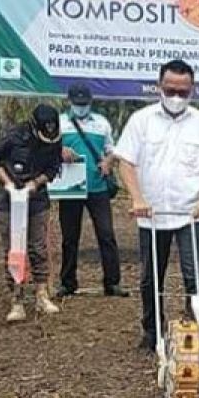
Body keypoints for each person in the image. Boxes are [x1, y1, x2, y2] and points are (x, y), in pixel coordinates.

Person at [116, 59, 199, 354]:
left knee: (196, 278)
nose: (176, 96)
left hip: (191, 213)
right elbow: (126, 161)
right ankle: (152, 332)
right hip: (152, 213)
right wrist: (137, 197)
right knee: (150, 277)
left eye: (183, 91)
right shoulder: (141, 120)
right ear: (159, 87)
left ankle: (197, 337)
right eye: (171, 90)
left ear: (192, 90)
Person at [0, 104, 64, 322]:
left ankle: (41, 294)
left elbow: (53, 169)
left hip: (36, 198)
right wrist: (9, 183)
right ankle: (16, 298)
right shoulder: (13, 135)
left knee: (38, 247)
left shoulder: (55, 138)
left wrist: (35, 183)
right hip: (8, 198)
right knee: (13, 249)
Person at [57, 84, 125, 299]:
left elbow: (112, 150)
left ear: (90, 103)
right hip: (70, 188)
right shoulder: (61, 123)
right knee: (70, 237)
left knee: (106, 235)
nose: (80, 108)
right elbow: (46, 148)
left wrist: (108, 161)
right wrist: (60, 150)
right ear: (70, 102)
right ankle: (68, 283)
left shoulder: (101, 123)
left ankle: (112, 283)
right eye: (77, 104)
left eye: (84, 104)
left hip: (98, 186)